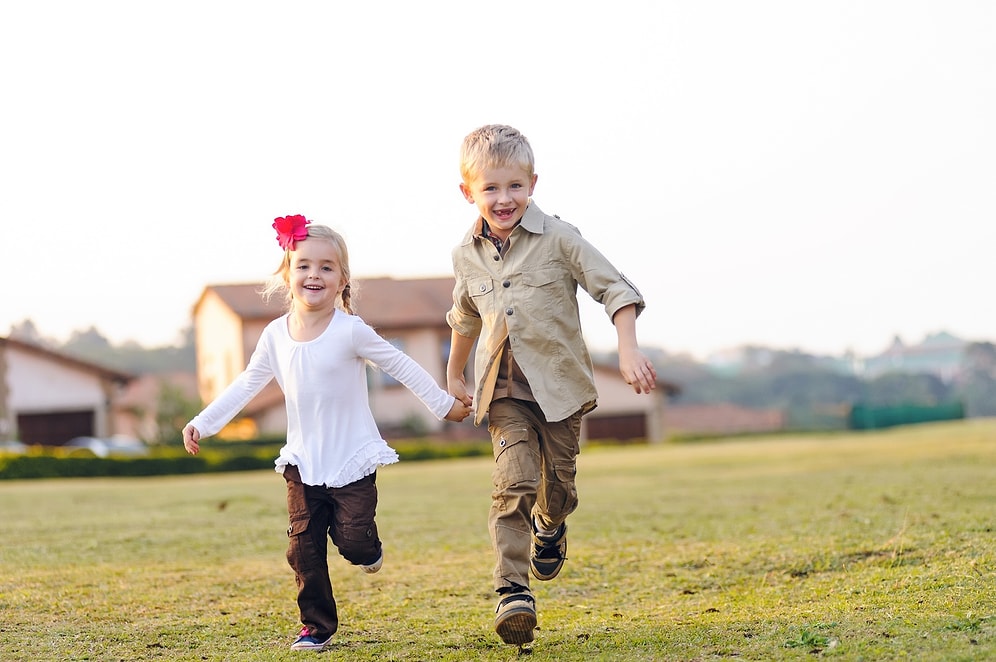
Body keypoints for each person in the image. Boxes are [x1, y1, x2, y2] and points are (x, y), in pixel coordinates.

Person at [182, 215, 472, 653]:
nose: (313, 274)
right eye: (303, 265)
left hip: (351, 458)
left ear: (342, 280)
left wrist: (443, 404)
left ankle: (367, 550)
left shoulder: (350, 331)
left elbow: (401, 365)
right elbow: (246, 384)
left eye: (326, 267)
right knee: (303, 550)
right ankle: (315, 626)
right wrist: (202, 422)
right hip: (302, 462)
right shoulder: (275, 336)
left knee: (353, 543)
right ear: (287, 274)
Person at [445, 125, 658, 646]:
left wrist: (627, 349)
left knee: (556, 491)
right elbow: (465, 317)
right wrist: (454, 373)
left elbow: (616, 288)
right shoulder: (465, 254)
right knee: (512, 483)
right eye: (490, 188)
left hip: (559, 391)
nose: (503, 198)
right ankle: (511, 593)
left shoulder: (560, 238)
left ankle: (550, 527)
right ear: (468, 191)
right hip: (504, 393)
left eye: (514, 186)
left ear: (533, 183)